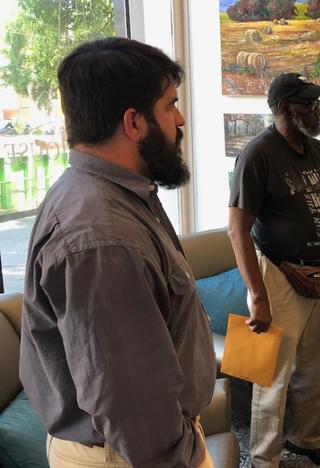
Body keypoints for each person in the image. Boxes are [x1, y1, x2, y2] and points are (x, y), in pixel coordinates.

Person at [19, 37, 217, 468]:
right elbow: (132, 401)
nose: (180, 118)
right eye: (170, 105)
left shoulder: (109, 196)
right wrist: (185, 456)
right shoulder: (102, 237)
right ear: (134, 123)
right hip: (132, 456)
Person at [228, 72, 320, 468]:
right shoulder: (258, 154)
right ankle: (265, 457)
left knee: (315, 368)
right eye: (310, 103)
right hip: (280, 277)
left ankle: (304, 437)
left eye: (318, 103)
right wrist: (258, 295)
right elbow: (238, 230)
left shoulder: (318, 150)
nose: (319, 110)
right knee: (273, 376)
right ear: (285, 108)